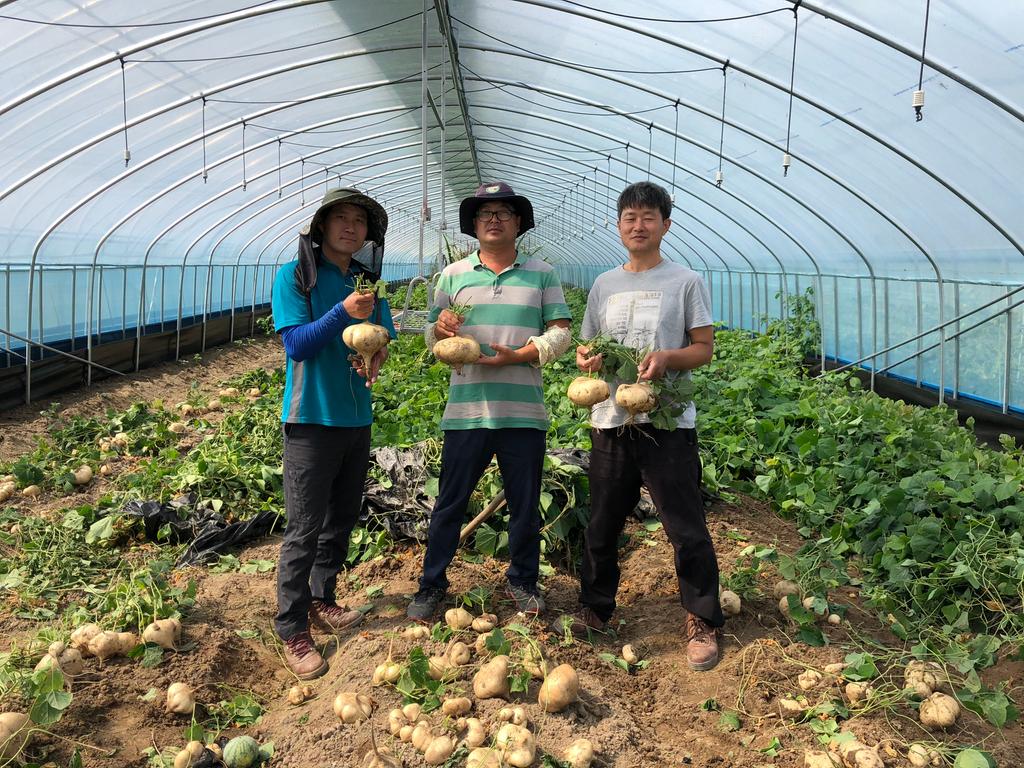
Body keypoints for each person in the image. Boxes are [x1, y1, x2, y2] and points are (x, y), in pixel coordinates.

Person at [560, 181, 723, 671]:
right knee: (603, 521)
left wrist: (667, 358)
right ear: (619, 226)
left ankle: (702, 618)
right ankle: (596, 607)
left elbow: (704, 348)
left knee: (684, 524)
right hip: (612, 419)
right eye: (629, 217)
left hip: (667, 421)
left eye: (648, 217)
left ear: (665, 225)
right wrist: (587, 359)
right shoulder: (604, 285)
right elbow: (588, 346)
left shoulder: (685, 281)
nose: (638, 225)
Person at [407, 182, 573, 621]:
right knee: (450, 502)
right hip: (466, 412)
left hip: (523, 412)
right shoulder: (452, 275)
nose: (494, 219)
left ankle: (523, 581)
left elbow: (561, 332)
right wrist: (440, 329)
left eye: (503, 212)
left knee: (524, 504)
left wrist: (521, 355)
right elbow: (431, 337)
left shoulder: (543, 273)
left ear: (518, 223)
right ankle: (431, 584)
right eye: (485, 213)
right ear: (474, 224)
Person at [270, 188, 397, 679]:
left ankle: (322, 598)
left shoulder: (366, 282)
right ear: (322, 226)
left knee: (340, 518)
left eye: (359, 221)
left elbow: (381, 335)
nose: (350, 227)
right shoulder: (296, 276)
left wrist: (377, 352)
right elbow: (297, 346)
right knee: (304, 526)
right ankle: (291, 626)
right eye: (340, 218)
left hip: (356, 418)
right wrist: (343, 311)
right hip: (311, 419)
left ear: (368, 234)